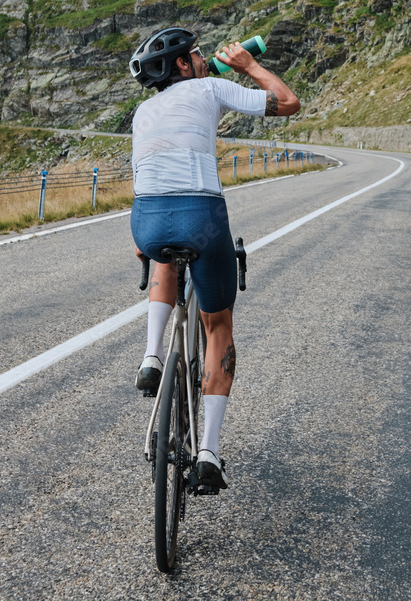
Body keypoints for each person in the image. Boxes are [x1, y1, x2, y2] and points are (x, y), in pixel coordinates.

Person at [129, 27, 300, 489]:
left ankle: (151, 357)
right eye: (199, 54)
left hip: (146, 216)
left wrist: (143, 239)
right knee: (217, 323)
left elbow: (144, 172)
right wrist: (249, 66)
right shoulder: (211, 86)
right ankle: (208, 453)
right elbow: (287, 102)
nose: (206, 59)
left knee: (162, 254)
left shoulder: (142, 110)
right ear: (183, 64)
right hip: (199, 214)